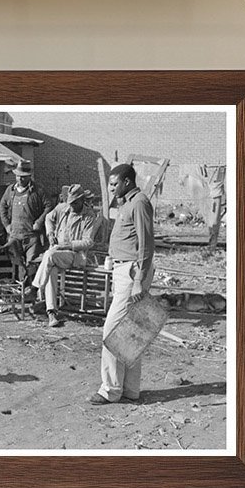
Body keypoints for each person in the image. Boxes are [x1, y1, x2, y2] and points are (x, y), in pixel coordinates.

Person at [90, 163, 155, 405]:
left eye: (114, 184)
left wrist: (138, 280)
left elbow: (147, 244)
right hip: (123, 270)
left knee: (112, 331)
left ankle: (110, 389)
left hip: (132, 273)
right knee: (130, 332)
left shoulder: (139, 203)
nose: (111, 188)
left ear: (127, 182)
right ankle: (130, 390)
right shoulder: (127, 203)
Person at [32, 185, 104, 327]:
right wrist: (50, 233)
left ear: (82, 200)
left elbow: (88, 241)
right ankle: (51, 313)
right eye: (70, 203)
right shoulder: (62, 208)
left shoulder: (89, 216)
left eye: (75, 203)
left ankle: (35, 288)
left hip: (75, 255)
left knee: (50, 255)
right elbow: (48, 218)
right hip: (57, 253)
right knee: (51, 268)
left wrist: (68, 245)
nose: (71, 207)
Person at [0, 160, 48, 290]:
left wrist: (39, 222)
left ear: (29, 176)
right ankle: (19, 290)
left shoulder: (38, 190)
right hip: (15, 235)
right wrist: (6, 225)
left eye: (23, 176)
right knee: (18, 263)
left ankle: (31, 292)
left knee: (32, 264)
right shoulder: (10, 190)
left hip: (31, 236)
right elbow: (2, 206)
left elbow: (49, 206)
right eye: (18, 176)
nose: (20, 179)